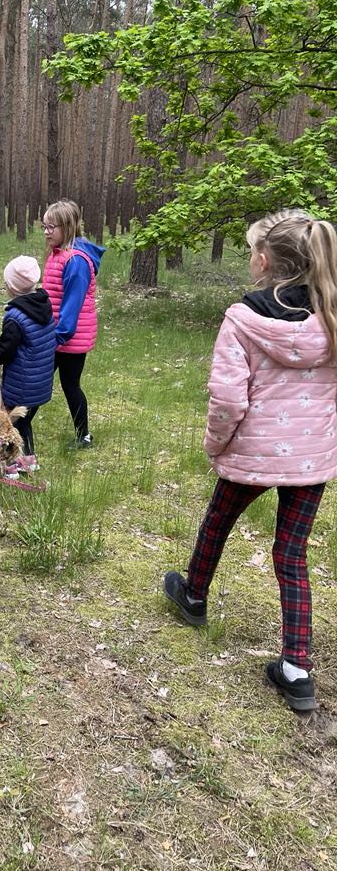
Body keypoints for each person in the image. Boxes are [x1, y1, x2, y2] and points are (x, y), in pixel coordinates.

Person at [164, 210, 337, 713]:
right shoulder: (332, 317)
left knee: (218, 520)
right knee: (292, 554)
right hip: (311, 459)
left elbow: (227, 400)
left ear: (263, 260)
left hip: (253, 451)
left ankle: (194, 595)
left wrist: (215, 445)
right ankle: (297, 669)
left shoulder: (242, 319)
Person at [41, 199, 105, 449]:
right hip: (55, 334)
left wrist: (58, 336)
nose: (46, 232)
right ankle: (15, 429)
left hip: (68, 338)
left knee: (68, 385)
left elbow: (72, 305)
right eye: (44, 227)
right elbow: (52, 295)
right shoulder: (58, 254)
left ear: (67, 226)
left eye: (51, 227)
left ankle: (83, 435)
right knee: (39, 381)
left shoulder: (76, 261)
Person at [0, 255, 56, 474]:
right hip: (41, 383)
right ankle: (29, 460)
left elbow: (6, 351)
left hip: (20, 386)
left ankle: (11, 465)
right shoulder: (44, 306)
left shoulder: (15, 317)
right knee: (25, 421)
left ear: (11, 287)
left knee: (11, 424)